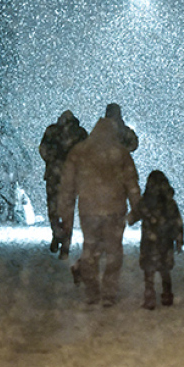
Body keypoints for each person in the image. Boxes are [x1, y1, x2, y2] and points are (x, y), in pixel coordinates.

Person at [59, 115, 141, 306]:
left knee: (90, 249)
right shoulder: (120, 153)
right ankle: (109, 292)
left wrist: (65, 208)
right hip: (115, 209)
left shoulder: (80, 151)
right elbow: (132, 183)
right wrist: (137, 207)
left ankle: (92, 291)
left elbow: (67, 184)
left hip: (89, 210)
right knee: (114, 251)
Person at [128, 170, 184, 310]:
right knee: (165, 270)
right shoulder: (170, 203)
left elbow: (132, 218)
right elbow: (178, 222)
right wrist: (179, 239)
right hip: (166, 241)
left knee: (149, 269)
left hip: (149, 241)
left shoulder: (145, 203)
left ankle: (149, 296)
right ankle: (167, 294)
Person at [38, 110, 88, 257]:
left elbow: (43, 149)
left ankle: (57, 233)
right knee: (68, 212)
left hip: (54, 176)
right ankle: (65, 243)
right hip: (71, 178)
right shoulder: (80, 133)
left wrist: (53, 160)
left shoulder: (52, 130)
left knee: (53, 209)